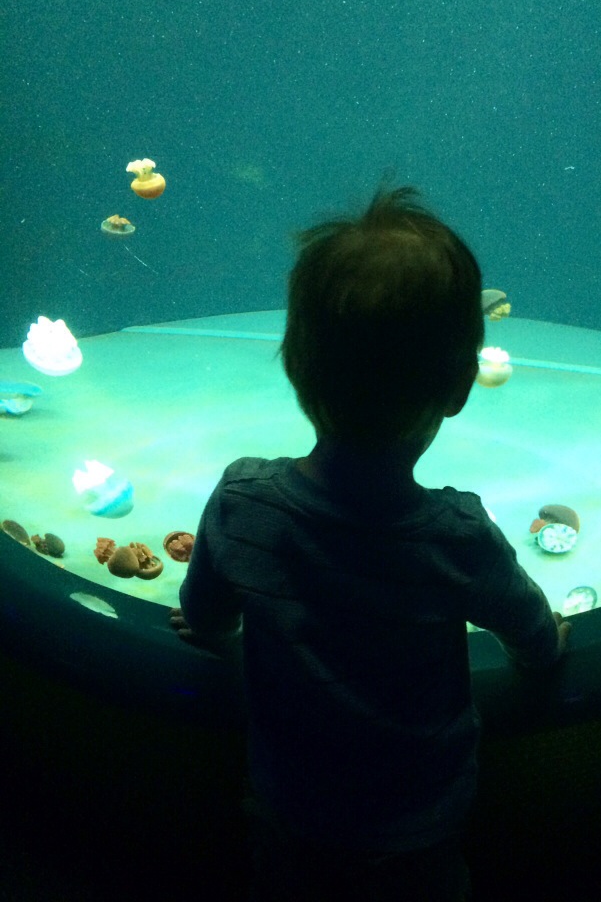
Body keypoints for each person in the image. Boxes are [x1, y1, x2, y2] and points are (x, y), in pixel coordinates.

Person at [170, 184, 571, 901]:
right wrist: (550, 642)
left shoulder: (242, 502)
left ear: (295, 366)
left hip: (289, 808)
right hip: (422, 826)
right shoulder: (457, 538)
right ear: (460, 386)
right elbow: (535, 641)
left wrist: (210, 625)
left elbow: (205, 616)